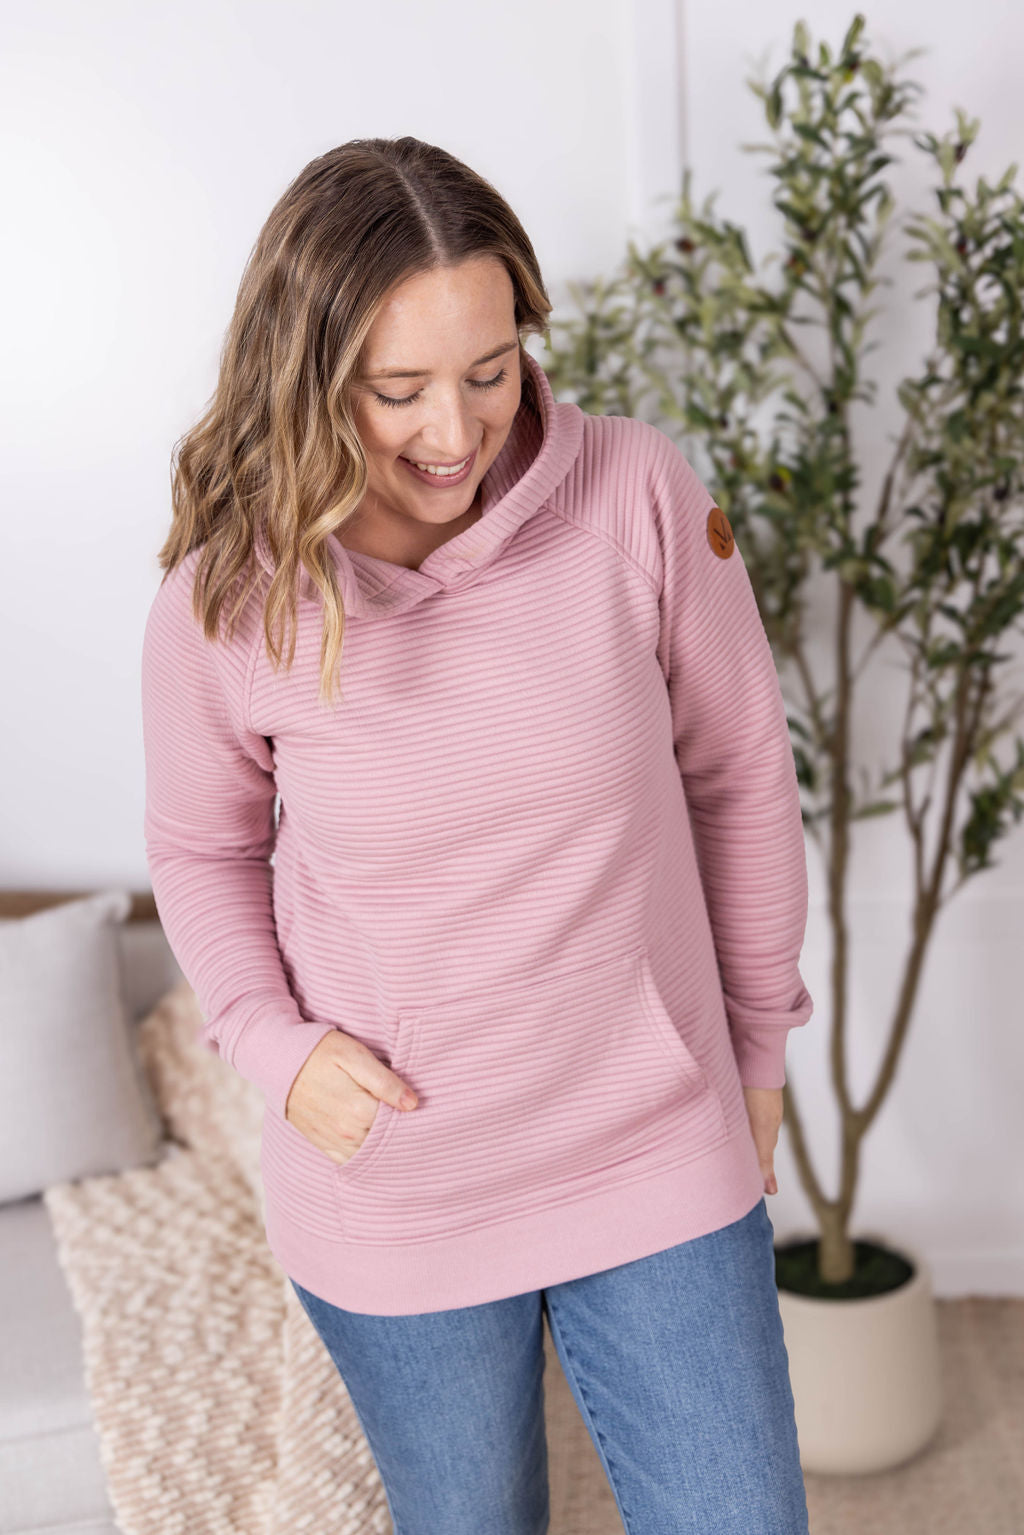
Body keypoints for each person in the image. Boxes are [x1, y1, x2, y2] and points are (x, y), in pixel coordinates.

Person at [141, 135, 814, 1534]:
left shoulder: (636, 494)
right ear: (306, 373)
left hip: (653, 1141)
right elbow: (202, 851)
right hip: (402, 1187)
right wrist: (273, 1047)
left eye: (491, 371)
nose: (455, 431)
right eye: (397, 391)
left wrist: (759, 1045)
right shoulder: (229, 601)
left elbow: (743, 774)